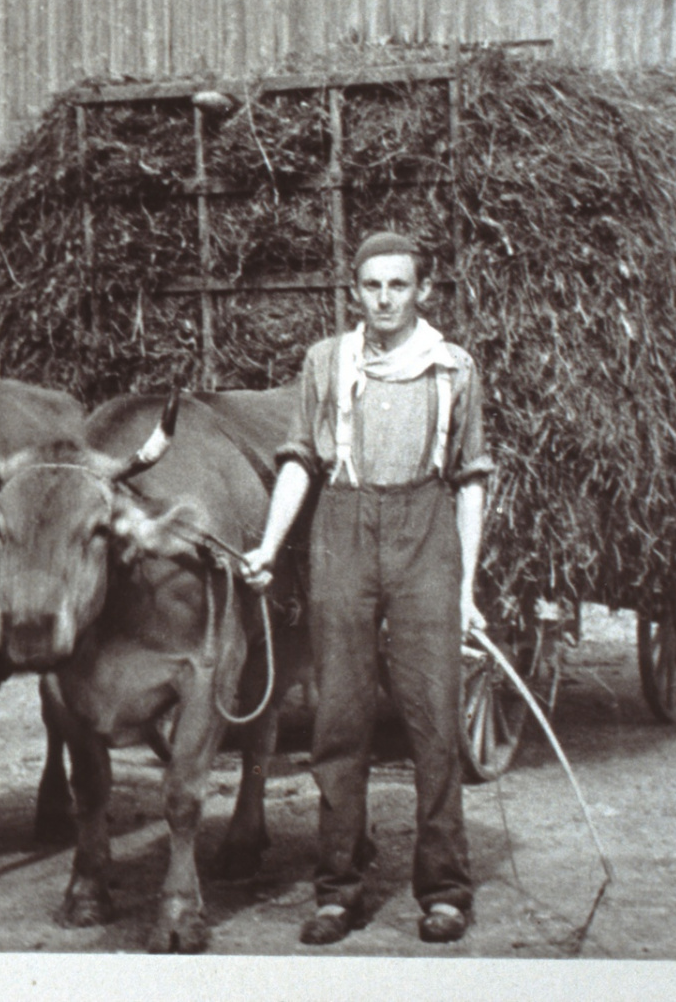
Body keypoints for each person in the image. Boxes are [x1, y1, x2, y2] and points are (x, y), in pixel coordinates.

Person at [240, 230, 493, 946]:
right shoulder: (327, 362)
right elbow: (299, 464)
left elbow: (471, 481)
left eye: (399, 285)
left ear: (424, 291)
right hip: (343, 528)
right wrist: (265, 543)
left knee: (431, 719)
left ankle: (444, 888)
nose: (385, 298)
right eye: (372, 285)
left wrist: (467, 586)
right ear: (354, 291)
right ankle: (337, 888)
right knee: (339, 719)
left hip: (425, 528)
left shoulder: (455, 369)